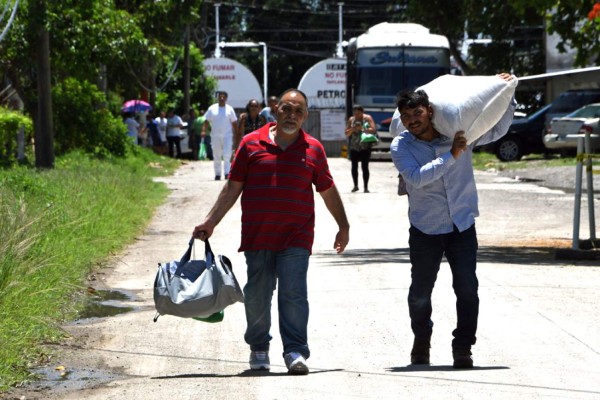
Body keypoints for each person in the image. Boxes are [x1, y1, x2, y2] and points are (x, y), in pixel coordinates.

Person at [192, 89, 350, 375]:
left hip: (296, 236)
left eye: (298, 111)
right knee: (257, 294)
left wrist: (343, 225)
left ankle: (295, 351)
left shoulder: (313, 149)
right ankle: (259, 347)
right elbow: (232, 187)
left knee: (293, 294)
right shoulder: (251, 144)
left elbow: (326, 189)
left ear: (305, 116)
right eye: (287, 109)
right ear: (276, 109)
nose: (292, 115)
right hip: (258, 235)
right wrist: (210, 221)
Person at [390, 73, 516, 369]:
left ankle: (463, 347)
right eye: (406, 116)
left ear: (429, 111)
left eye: (417, 113)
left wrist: (508, 92)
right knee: (420, 293)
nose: (412, 120)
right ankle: (421, 340)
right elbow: (418, 179)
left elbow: (495, 128)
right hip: (425, 229)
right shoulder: (401, 146)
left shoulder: (460, 132)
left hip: (462, 225)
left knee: (468, 289)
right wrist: (452, 155)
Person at [203, 91, 237, 180]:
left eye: (223, 97)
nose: (221, 99)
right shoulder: (212, 108)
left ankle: (227, 173)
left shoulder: (229, 109)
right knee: (216, 154)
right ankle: (217, 174)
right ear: (218, 98)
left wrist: (237, 133)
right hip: (215, 136)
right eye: (220, 97)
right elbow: (206, 121)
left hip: (227, 136)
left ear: (226, 98)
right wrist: (203, 131)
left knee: (227, 154)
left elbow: (234, 122)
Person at [345, 104, 377, 193]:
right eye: (355, 113)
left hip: (365, 146)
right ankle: (355, 186)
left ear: (362, 112)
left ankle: (366, 187)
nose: (357, 115)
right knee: (354, 167)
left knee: (365, 167)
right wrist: (353, 129)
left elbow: (373, 129)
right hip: (354, 147)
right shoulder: (351, 120)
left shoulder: (367, 118)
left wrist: (362, 128)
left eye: (359, 113)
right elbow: (346, 133)